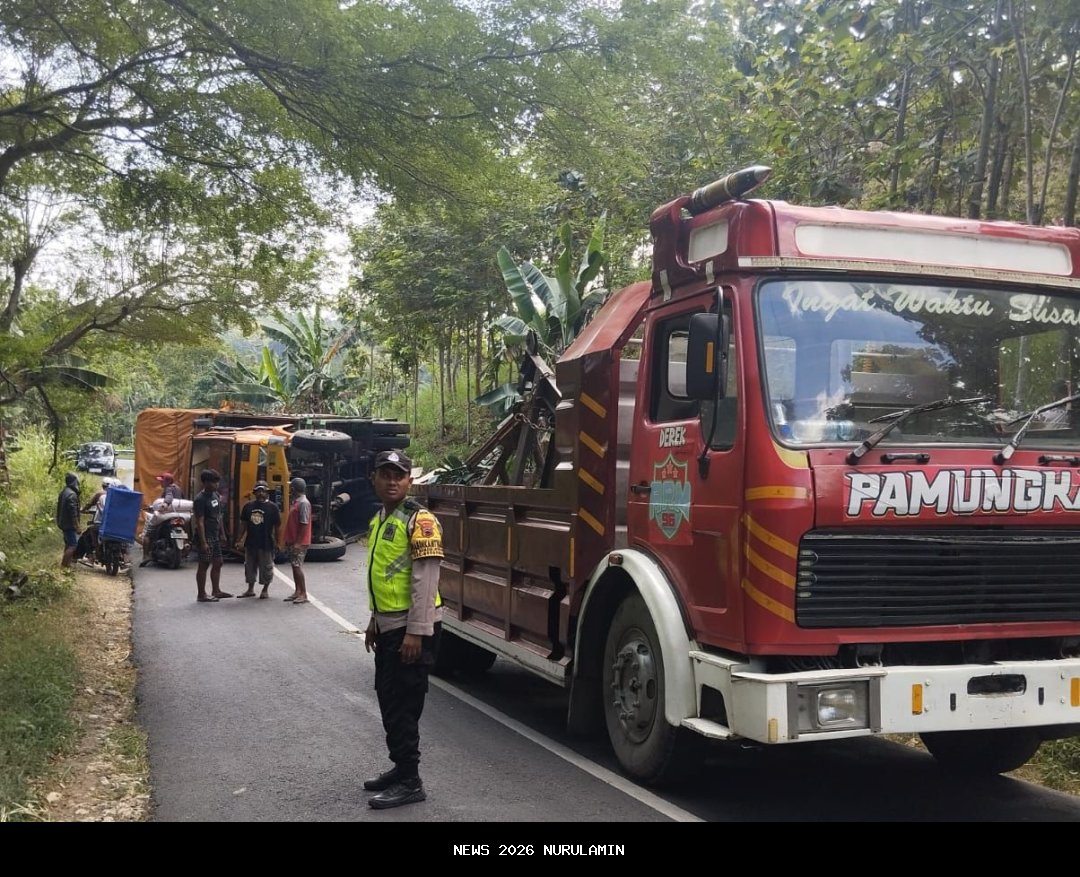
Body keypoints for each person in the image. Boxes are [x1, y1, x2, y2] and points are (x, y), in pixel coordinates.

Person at [362, 450, 443, 810]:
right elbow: (382, 575)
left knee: (403, 705)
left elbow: (426, 580)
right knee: (388, 699)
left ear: (410, 481)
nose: (392, 481)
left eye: (399, 475)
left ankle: (411, 781)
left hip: (410, 629)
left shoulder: (420, 520)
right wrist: (374, 621)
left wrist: (416, 632)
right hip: (389, 625)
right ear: (374, 479)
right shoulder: (380, 518)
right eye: (386, 474)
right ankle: (401, 767)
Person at [192, 468, 232, 603]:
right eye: (214, 482)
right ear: (205, 483)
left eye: (217, 482)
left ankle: (216, 590)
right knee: (204, 564)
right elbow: (200, 521)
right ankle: (201, 594)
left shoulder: (215, 495)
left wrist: (223, 533)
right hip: (206, 535)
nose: (217, 485)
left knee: (218, 562)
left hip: (215, 535)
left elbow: (219, 516)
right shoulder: (200, 499)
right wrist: (203, 542)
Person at [237, 480, 281, 599]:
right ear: (254, 492)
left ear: (267, 493)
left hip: (266, 543)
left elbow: (277, 527)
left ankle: (265, 590)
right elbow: (243, 524)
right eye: (258, 491)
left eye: (263, 491)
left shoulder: (273, 507)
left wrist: (278, 542)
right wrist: (239, 540)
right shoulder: (248, 506)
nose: (261, 493)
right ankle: (250, 589)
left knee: (266, 567)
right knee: (249, 567)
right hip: (251, 543)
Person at [282, 477, 312, 604]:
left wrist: (298, 542)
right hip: (293, 540)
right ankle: (297, 591)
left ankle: (303, 593)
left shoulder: (303, 503)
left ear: (294, 488)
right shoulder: (296, 502)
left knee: (297, 566)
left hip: (299, 542)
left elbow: (304, 523)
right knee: (294, 566)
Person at [56, 472, 82, 568]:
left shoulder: (64, 491)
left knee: (68, 544)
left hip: (63, 522)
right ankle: (64, 566)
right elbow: (73, 513)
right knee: (73, 545)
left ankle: (67, 564)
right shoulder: (72, 494)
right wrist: (77, 526)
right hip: (69, 524)